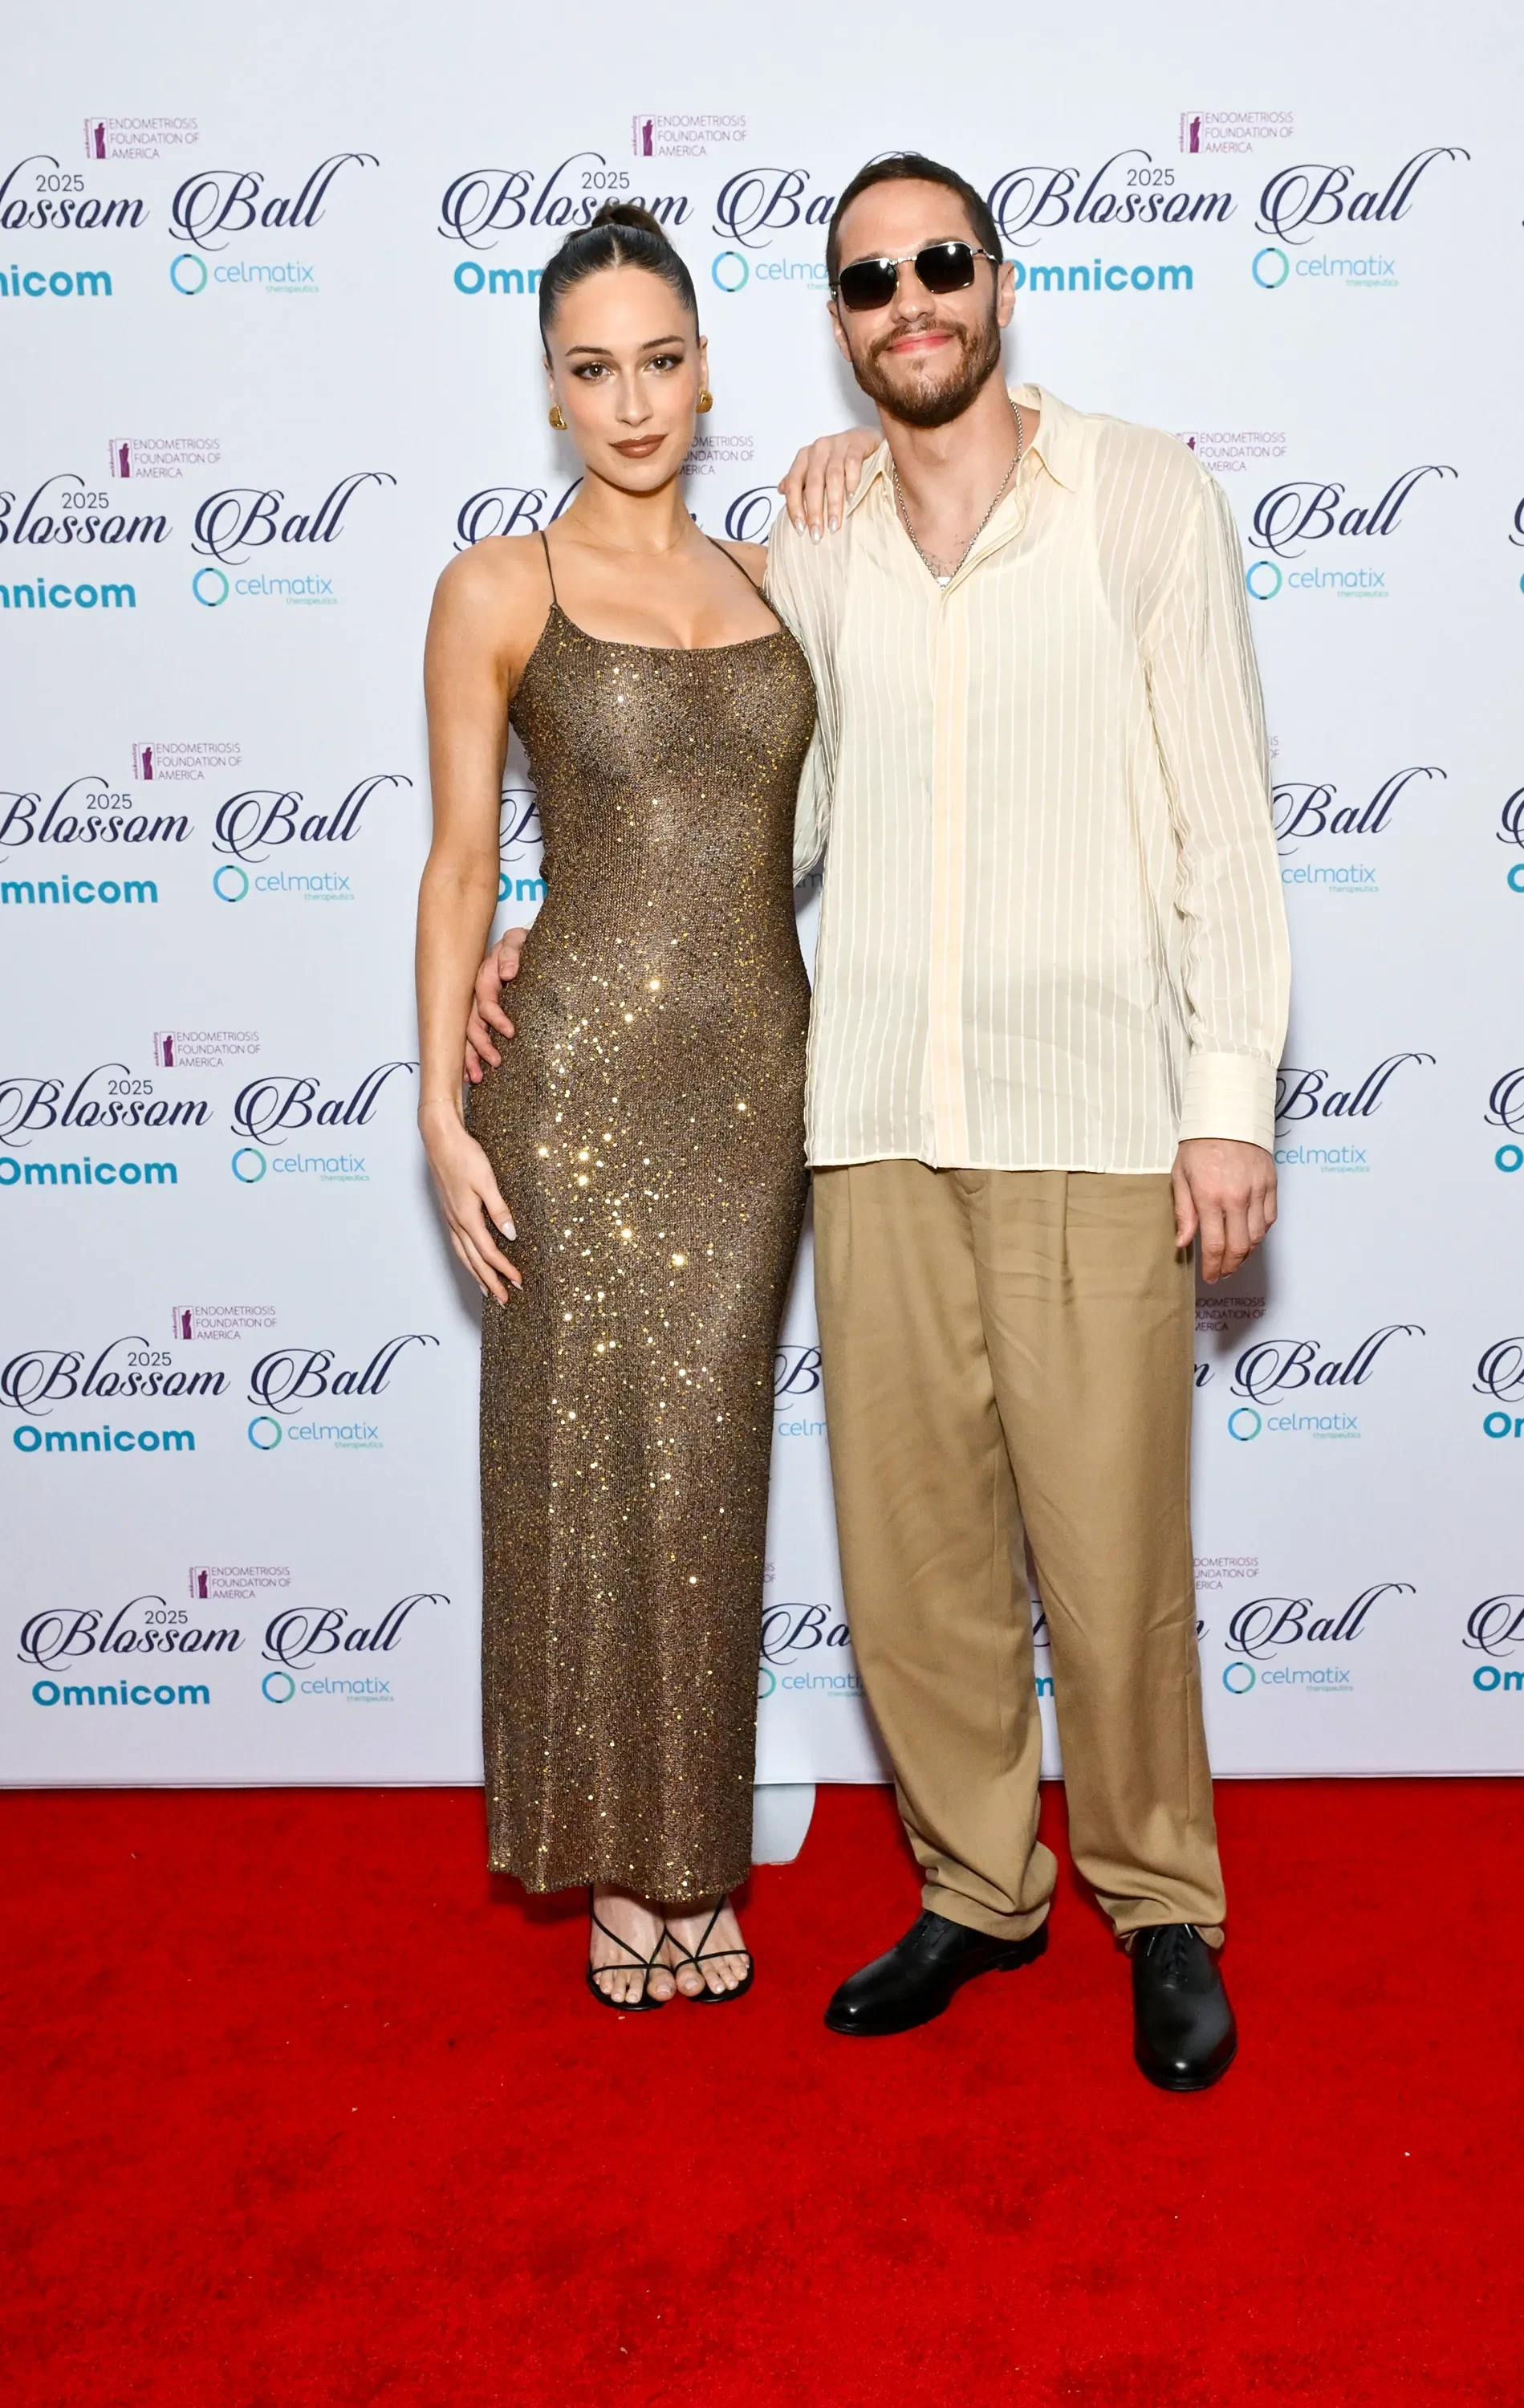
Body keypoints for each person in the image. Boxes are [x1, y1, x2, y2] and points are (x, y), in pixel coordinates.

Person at [473, 151, 1290, 2089]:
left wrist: (1228, 1102)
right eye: (868, 281)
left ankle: (1159, 1901)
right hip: (868, 1114)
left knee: (1112, 1554)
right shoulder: (816, 544)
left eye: (939, 263)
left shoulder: (1144, 495)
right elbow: (774, 811)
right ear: (841, 330)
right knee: (914, 1565)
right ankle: (978, 1886)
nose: (909, 300)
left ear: (997, 280)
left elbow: (1226, 821)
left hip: (1093, 1104)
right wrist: (578, 914)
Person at [416, 201, 815, 2010]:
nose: (634, 401)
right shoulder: (500, 587)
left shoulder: (782, 575)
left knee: (712, 1471)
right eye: (595, 369)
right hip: (568, 1079)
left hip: (753, 1088)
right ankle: (607, 1865)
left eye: (662, 361)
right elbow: (456, 863)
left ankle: (694, 1854)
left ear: (708, 372)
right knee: (576, 1464)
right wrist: (440, 1113)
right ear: (552, 391)